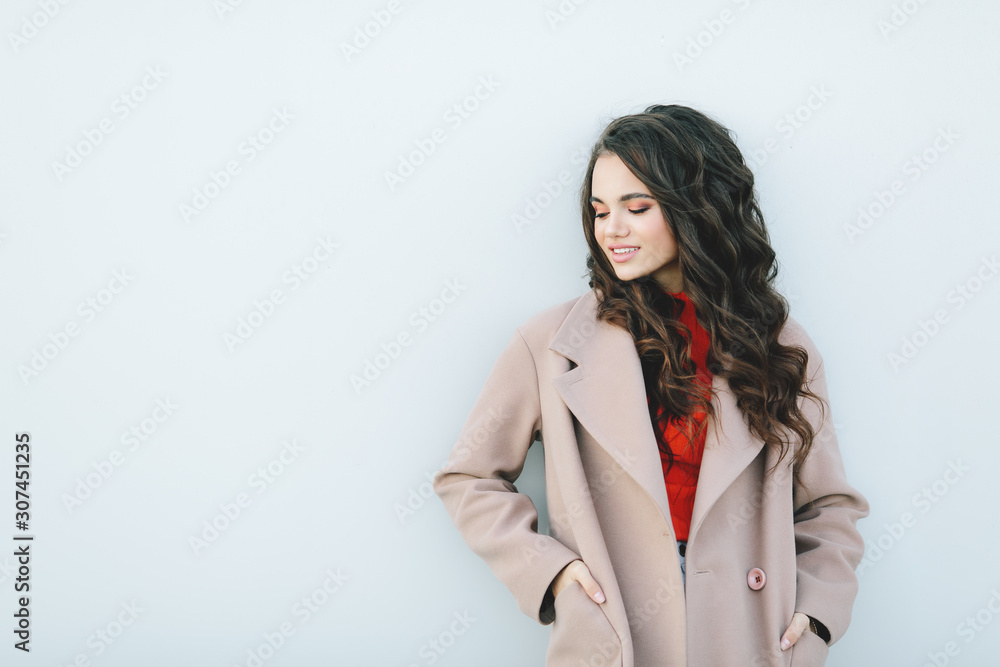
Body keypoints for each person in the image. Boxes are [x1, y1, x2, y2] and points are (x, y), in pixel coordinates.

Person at [432, 104, 869, 666]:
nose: (611, 230)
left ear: (699, 210)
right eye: (599, 210)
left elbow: (829, 504)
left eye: (637, 207)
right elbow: (467, 476)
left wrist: (817, 614)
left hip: (751, 630)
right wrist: (556, 575)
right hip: (617, 627)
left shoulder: (780, 345)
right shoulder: (551, 343)